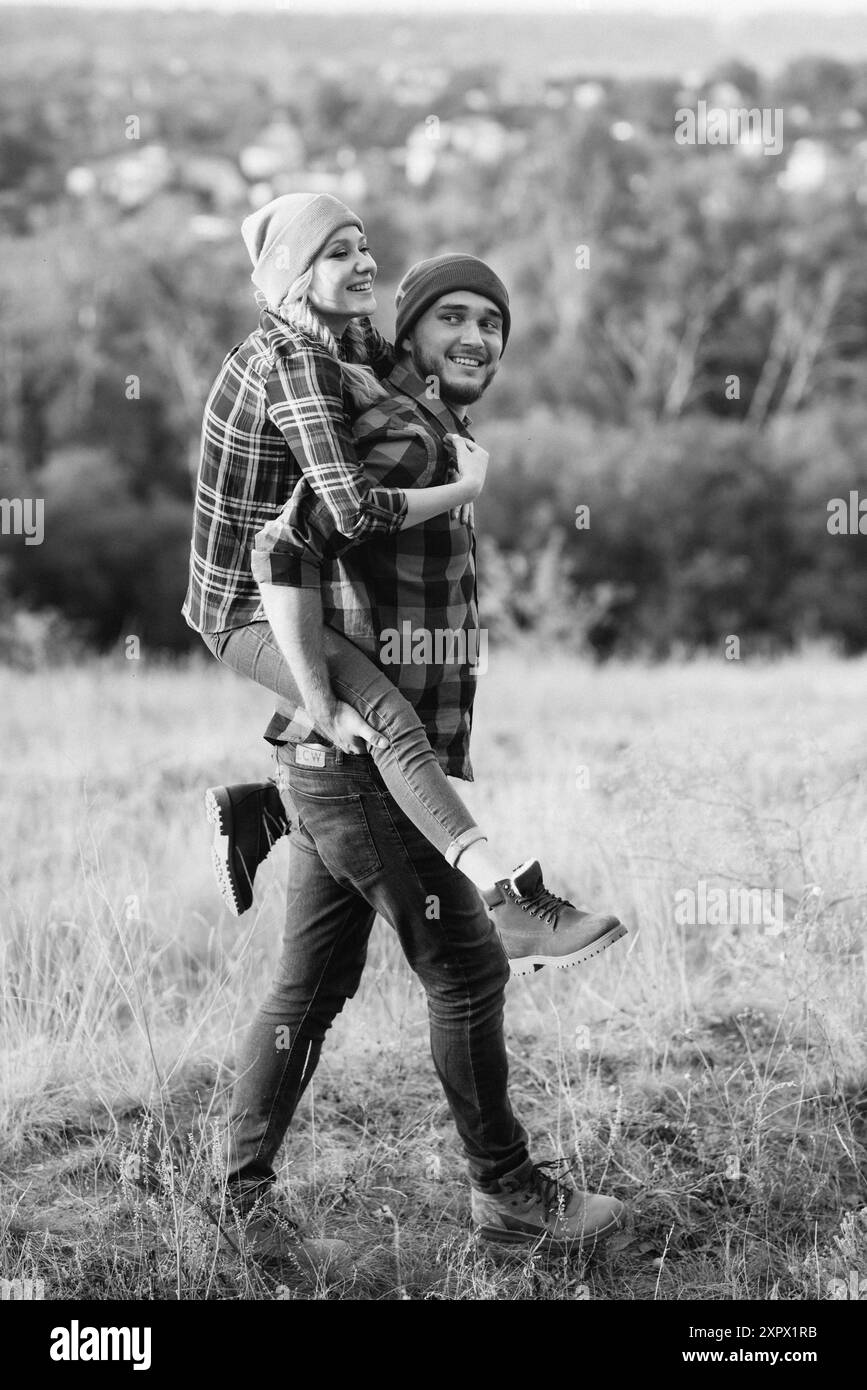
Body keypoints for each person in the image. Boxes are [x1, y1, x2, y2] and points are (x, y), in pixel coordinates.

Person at [214, 257, 627, 1264]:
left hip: (348, 762)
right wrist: (317, 701)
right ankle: (510, 1194)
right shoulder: (402, 431)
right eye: (454, 316)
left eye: (493, 320)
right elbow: (280, 549)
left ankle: (238, 1195)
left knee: (309, 989)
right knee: (471, 970)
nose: (479, 336)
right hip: (359, 762)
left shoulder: (424, 426)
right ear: (411, 329)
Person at [184, 193, 625, 974]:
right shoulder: (297, 363)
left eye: (364, 247)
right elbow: (346, 509)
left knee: (310, 984)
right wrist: (460, 491)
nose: (364, 264)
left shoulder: (348, 338)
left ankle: (266, 810)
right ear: (292, 275)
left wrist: (448, 359)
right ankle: (509, 899)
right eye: (338, 252)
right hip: (244, 606)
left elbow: (406, 377)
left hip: (288, 585)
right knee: (381, 717)